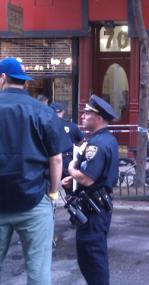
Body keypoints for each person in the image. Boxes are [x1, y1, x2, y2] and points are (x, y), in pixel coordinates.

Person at [0, 57, 71, 284]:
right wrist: (52, 193)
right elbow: (57, 159)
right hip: (34, 199)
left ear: (2, 78)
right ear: (25, 83)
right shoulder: (43, 111)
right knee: (38, 272)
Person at [61, 94, 119, 285]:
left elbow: (87, 178)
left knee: (92, 259)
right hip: (97, 206)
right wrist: (73, 180)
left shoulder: (97, 144)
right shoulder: (105, 139)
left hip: (93, 210)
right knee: (92, 258)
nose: (83, 116)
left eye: (87, 113)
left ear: (99, 117)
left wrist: (71, 170)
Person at [50, 102, 84, 178]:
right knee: (68, 185)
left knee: (50, 186)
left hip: (51, 160)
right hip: (68, 161)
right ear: (63, 112)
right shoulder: (72, 125)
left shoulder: (46, 125)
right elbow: (81, 141)